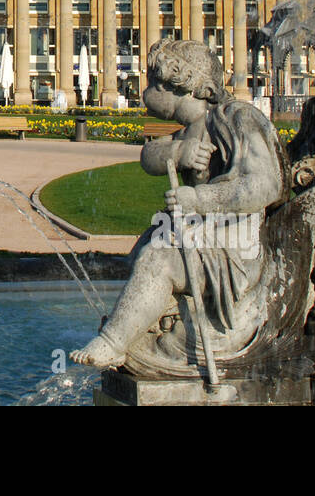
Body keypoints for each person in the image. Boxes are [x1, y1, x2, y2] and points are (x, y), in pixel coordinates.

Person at [71, 39, 289, 369]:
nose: (146, 92)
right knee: (148, 246)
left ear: (179, 83)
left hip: (236, 252)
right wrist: (179, 153)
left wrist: (200, 198)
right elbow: (150, 156)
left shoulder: (237, 118)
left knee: (158, 260)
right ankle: (159, 322)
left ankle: (114, 343)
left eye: (151, 82)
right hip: (203, 243)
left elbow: (266, 185)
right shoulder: (191, 130)